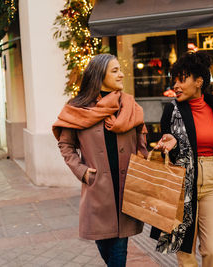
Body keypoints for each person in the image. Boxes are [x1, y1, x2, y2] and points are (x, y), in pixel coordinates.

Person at [52, 54, 148, 267]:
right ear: (98, 75)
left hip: (126, 188)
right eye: (114, 71)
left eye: (119, 69)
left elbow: (142, 140)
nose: (121, 74)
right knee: (105, 246)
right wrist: (82, 171)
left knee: (118, 251)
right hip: (98, 190)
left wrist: (148, 159)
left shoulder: (129, 105)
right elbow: (65, 145)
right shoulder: (77, 109)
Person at [151, 51, 213, 267]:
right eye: (174, 80)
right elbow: (165, 152)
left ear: (199, 81)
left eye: (182, 79)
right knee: (185, 252)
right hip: (182, 185)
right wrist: (170, 145)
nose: (176, 85)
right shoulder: (171, 111)